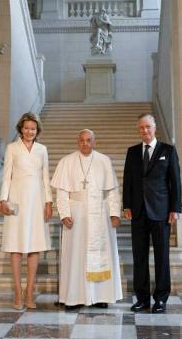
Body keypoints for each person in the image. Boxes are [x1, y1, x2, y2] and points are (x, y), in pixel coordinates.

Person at [51, 129, 123, 310]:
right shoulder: (66, 162)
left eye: (88, 140)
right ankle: (73, 298)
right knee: (75, 255)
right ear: (78, 142)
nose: (85, 144)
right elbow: (61, 192)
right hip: (77, 215)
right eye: (82, 140)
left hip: (100, 213)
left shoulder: (104, 161)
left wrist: (115, 213)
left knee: (101, 254)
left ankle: (100, 297)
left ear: (94, 142)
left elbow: (113, 191)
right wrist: (64, 213)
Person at [123, 113, 181, 314]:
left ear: (155, 127)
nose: (144, 131)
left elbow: (175, 181)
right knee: (139, 257)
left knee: (162, 256)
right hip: (138, 212)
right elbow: (128, 181)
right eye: (141, 128)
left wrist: (175, 208)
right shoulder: (131, 152)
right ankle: (142, 298)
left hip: (161, 211)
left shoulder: (168, 150)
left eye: (148, 127)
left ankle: (161, 299)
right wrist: (126, 205)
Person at [0, 113, 53, 310]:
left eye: (33, 128)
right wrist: (3, 199)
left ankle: (30, 290)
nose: (30, 131)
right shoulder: (12, 148)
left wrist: (49, 202)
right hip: (17, 200)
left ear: (37, 131)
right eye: (27, 128)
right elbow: (6, 176)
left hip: (37, 201)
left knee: (34, 245)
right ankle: (18, 291)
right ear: (21, 128)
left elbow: (45, 177)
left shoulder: (42, 150)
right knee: (15, 246)